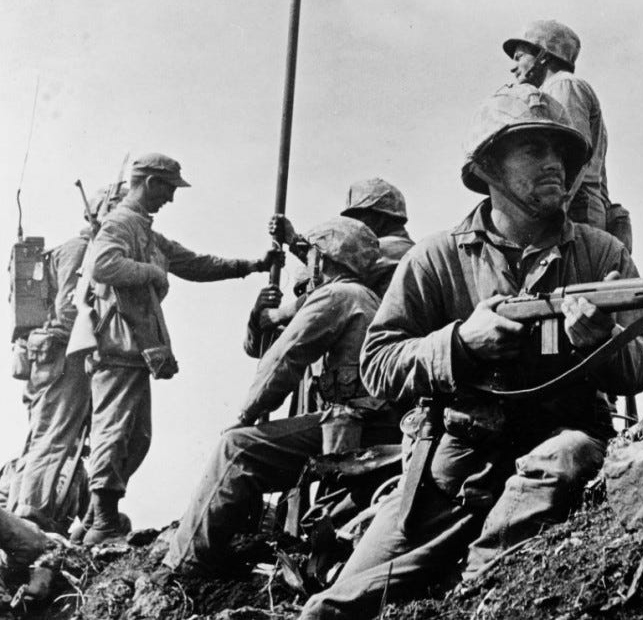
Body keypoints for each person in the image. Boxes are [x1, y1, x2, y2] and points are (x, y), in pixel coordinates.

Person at [300, 84, 643, 619]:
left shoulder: (602, 253)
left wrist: (602, 343)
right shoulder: (436, 258)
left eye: (561, 152)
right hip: (453, 470)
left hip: (554, 458)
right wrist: (460, 345)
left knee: (562, 462)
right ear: (490, 165)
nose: (555, 164)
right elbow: (378, 363)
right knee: (328, 612)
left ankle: (475, 587)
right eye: (534, 150)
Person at [162, 216, 401, 576]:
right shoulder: (366, 297)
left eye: (313, 259)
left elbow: (284, 360)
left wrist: (244, 416)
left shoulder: (337, 295)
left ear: (322, 260)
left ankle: (182, 566)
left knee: (237, 449)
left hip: (357, 428)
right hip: (376, 428)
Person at [76, 153, 276, 546]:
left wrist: (250, 265)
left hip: (133, 349)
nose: (171, 197)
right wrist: (151, 272)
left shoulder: (144, 230)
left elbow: (193, 263)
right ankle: (102, 522)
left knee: (137, 438)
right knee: (116, 433)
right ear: (150, 183)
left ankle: (93, 517)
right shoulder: (120, 223)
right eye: (168, 187)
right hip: (117, 346)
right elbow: (102, 265)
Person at [9, 184, 125, 534]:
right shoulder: (80, 250)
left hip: (60, 357)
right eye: (116, 209)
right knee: (54, 437)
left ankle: (31, 513)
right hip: (63, 355)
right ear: (99, 213)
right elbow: (69, 311)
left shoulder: (85, 250)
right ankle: (30, 516)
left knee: (57, 437)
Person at [245, 178, 414, 358]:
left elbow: (338, 276)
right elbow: (256, 349)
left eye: (356, 218)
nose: (350, 226)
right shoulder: (383, 256)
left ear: (379, 217)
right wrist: (258, 317)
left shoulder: (397, 252)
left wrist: (277, 314)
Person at [504, 19, 632, 250]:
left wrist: (553, 218)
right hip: (576, 205)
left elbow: (572, 155)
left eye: (519, 57)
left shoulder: (562, 85)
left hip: (575, 207)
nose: (513, 67)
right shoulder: (556, 89)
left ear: (543, 55)